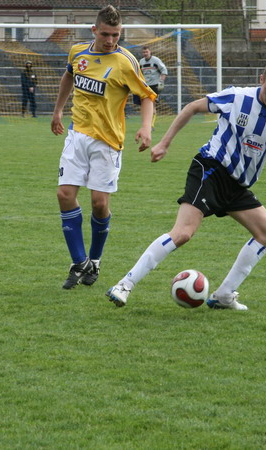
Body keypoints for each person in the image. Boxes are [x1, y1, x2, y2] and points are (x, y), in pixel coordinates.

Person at [106, 57, 266, 310]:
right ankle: (125, 284)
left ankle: (224, 295)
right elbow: (192, 107)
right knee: (183, 233)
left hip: (237, 185)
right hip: (210, 169)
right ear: (261, 80)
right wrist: (165, 143)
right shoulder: (237, 97)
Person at [51, 5, 156, 289]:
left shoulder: (125, 61)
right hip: (77, 135)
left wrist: (146, 127)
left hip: (108, 142)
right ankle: (79, 262)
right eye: (106, 34)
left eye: (116, 35)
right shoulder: (78, 52)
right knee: (64, 194)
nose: (111, 40)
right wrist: (59, 110)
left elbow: (147, 97)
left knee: (99, 203)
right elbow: (69, 76)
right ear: (94, 30)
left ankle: (94, 260)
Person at [138, 45, 168, 128]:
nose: (145, 53)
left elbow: (164, 71)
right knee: (144, 105)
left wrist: (161, 82)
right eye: (143, 52)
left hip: (154, 85)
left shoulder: (156, 60)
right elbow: (139, 74)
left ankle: (151, 125)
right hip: (145, 86)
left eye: (146, 52)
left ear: (150, 52)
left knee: (152, 104)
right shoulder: (141, 62)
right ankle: (146, 124)